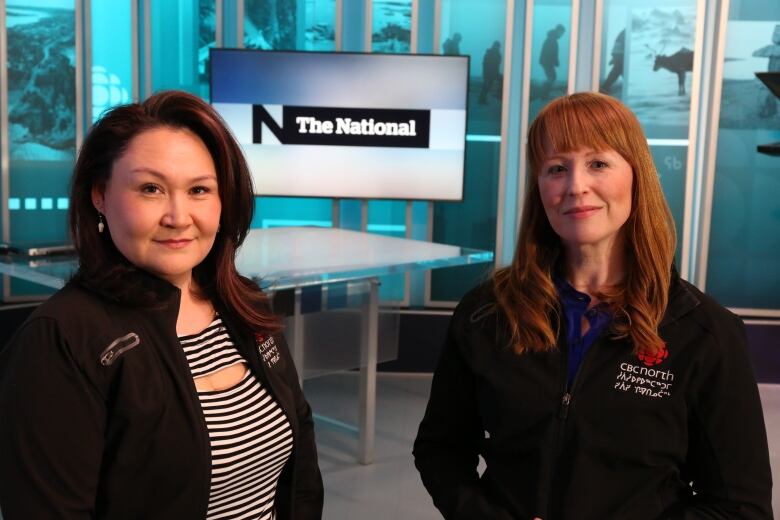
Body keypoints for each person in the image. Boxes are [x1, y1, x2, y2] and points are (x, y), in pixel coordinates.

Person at [413, 92, 773, 519]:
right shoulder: (487, 313)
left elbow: (740, 507)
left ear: (636, 175)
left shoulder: (705, 333)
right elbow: (441, 450)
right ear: (540, 188)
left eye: (598, 163)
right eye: (556, 168)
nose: (575, 186)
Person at [0, 91, 324, 519]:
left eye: (199, 190)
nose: (178, 216)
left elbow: (298, 457)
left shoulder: (242, 305)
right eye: (150, 188)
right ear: (100, 195)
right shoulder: (61, 340)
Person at [539, 24, 566, 98]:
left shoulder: (552, 38)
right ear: (558, 31)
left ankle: (545, 93)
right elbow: (550, 52)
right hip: (546, 61)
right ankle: (544, 92)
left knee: (552, 77)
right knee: (552, 77)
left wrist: (556, 61)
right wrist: (554, 61)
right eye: (561, 33)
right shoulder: (552, 39)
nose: (561, 35)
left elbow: (554, 52)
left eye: (562, 33)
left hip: (546, 61)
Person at [600, 29, 625, 95]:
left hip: (618, 53)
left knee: (617, 70)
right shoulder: (626, 32)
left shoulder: (624, 31)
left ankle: (605, 87)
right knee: (618, 70)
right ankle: (604, 88)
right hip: (619, 53)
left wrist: (615, 58)